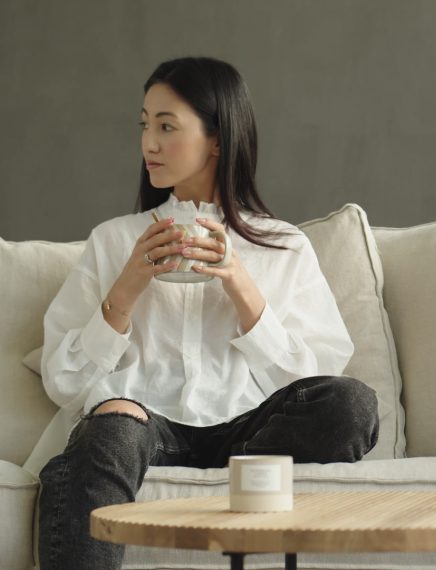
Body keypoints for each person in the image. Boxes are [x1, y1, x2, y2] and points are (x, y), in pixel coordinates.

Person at [35, 56, 379, 570]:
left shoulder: (285, 246)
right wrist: (126, 290)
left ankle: (236, 486)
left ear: (217, 139)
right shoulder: (114, 241)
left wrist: (241, 284)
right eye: (145, 125)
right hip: (146, 429)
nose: (148, 143)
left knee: (351, 404)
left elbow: (315, 380)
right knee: (112, 425)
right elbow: (62, 381)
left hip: (251, 435)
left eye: (167, 126)